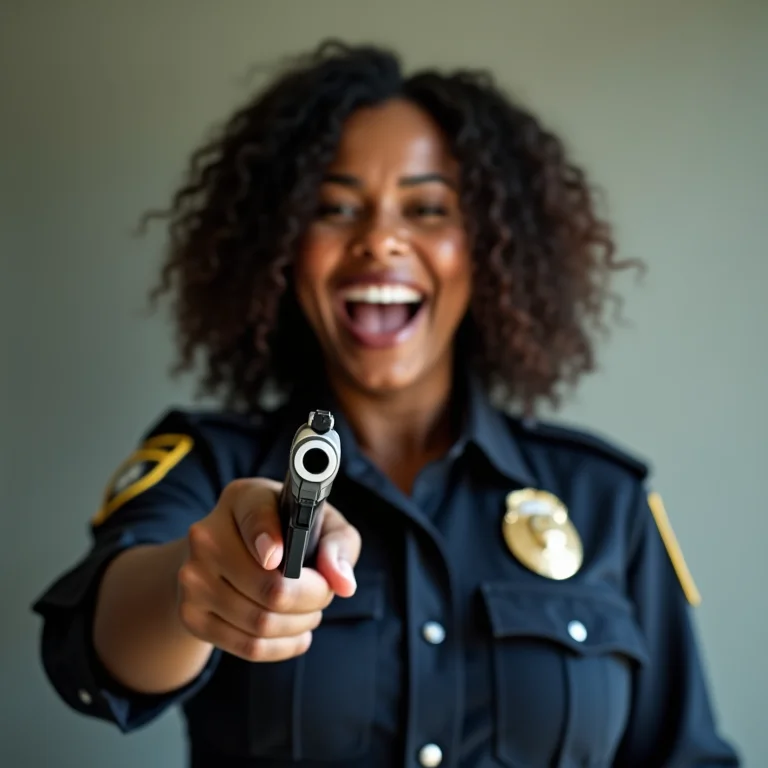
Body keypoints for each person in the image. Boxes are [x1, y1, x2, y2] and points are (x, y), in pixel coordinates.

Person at [31, 40, 739, 768]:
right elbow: (90, 653)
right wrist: (198, 579)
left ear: (489, 247)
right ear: (283, 246)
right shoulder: (210, 463)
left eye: (427, 208)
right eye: (335, 207)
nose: (379, 241)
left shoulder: (604, 497)